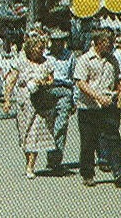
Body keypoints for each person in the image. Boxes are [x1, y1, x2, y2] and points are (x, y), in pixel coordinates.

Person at [74, 29, 121, 189]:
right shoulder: (85, 59)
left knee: (113, 139)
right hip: (89, 106)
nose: (111, 46)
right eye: (108, 43)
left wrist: (119, 98)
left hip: (108, 104)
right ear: (98, 43)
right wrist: (98, 97)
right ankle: (88, 173)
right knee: (88, 141)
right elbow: (81, 83)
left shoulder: (113, 59)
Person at [2, 36, 56, 179]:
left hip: (40, 101)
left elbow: (51, 79)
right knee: (24, 133)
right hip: (24, 102)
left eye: (42, 48)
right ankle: (28, 161)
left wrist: (43, 82)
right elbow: (10, 80)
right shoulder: (21, 62)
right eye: (39, 48)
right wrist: (7, 100)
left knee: (35, 133)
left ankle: (30, 166)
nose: (41, 51)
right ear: (31, 48)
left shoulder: (47, 62)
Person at [43, 29, 76, 174]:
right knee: (49, 125)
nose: (57, 44)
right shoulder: (45, 56)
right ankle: (50, 155)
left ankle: (56, 160)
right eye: (55, 41)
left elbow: (75, 78)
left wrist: (74, 100)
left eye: (60, 41)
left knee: (61, 125)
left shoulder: (70, 56)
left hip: (64, 90)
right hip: (49, 91)